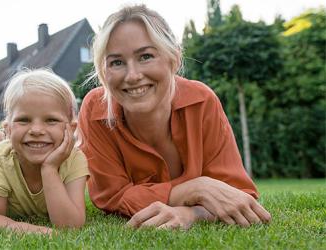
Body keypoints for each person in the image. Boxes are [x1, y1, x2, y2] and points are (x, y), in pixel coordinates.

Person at [78, 4, 271, 230]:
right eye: (117, 62)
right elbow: (111, 196)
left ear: (174, 58)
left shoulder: (202, 101)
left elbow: (236, 194)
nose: (132, 76)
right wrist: (195, 188)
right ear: (104, 72)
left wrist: (191, 213)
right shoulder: (95, 109)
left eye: (146, 56)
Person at [0, 69, 89, 234]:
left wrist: (50, 168)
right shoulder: (0, 158)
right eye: (24, 120)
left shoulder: (75, 160)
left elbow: (71, 225)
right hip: (3, 157)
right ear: (8, 128)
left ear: (71, 128)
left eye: (51, 120)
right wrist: (36, 231)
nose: (37, 130)